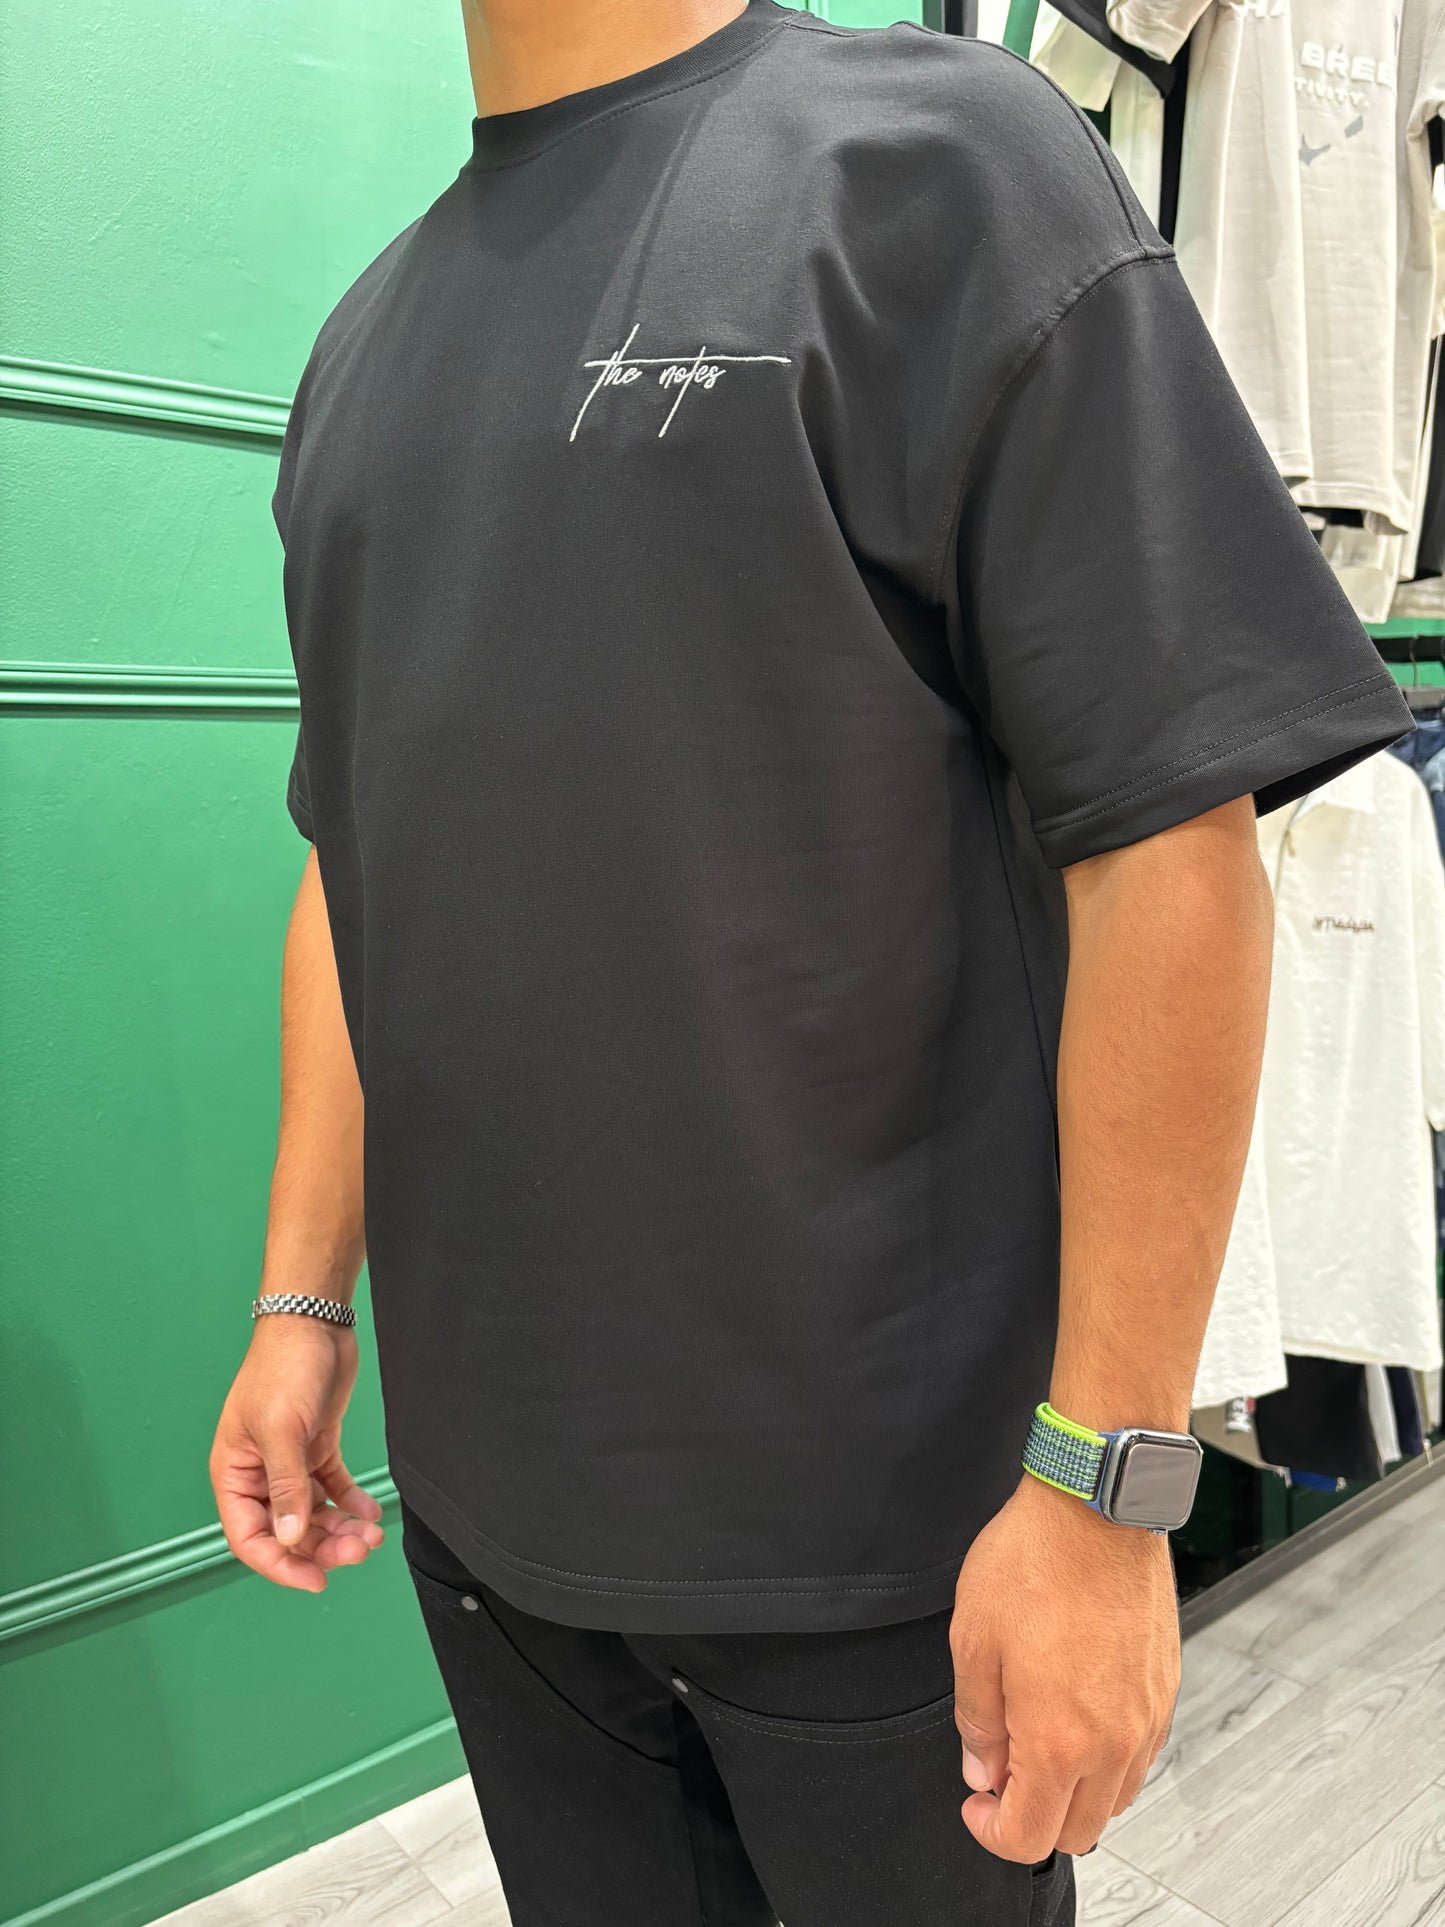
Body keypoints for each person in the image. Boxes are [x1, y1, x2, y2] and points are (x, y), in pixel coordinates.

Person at [209, 3, 1415, 1922]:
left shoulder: (934, 168)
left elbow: (1165, 840)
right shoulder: (362, 346)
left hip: (879, 1549)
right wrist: (302, 1305)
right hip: (494, 1526)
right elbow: (350, 864)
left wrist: (1105, 1484)